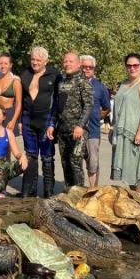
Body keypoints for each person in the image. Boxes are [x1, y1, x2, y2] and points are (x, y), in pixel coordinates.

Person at [48, 52, 93, 192]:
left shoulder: (83, 83)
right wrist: (51, 124)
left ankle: (79, 195)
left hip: (78, 132)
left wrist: (80, 125)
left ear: (78, 64)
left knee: (75, 162)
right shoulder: (61, 82)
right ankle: (69, 193)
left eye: (70, 61)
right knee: (66, 162)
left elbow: (88, 106)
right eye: (65, 61)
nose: (67, 64)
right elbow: (57, 106)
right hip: (62, 131)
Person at [111, 53, 140, 192]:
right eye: (129, 65)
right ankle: (134, 205)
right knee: (129, 174)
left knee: (138, 174)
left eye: (135, 65)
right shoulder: (123, 84)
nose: (132, 68)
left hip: (137, 135)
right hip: (123, 135)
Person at [19, 47, 60, 197]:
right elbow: (21, 99)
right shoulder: (25, 74)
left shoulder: (54, 75)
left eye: (38, 60)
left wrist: (52, 123)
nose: (34, 63)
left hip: (46, 121)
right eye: (33, 59)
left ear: (46, 61)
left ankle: (49, 192)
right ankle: (32, 189)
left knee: (47, 157)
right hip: (28, 119)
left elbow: (57, 100)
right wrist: (20, 120)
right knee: (31, 155)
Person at [80, 55, 111, 188]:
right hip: (74, 131)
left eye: (90, 67)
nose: (87, 69)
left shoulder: (100, 87)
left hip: (92, 131)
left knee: (92, 163)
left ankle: (92, 190)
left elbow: (107, 108)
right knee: (74, 163)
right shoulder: (72, 83)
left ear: (94, 69)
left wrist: (96, 117)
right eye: (84, 67)